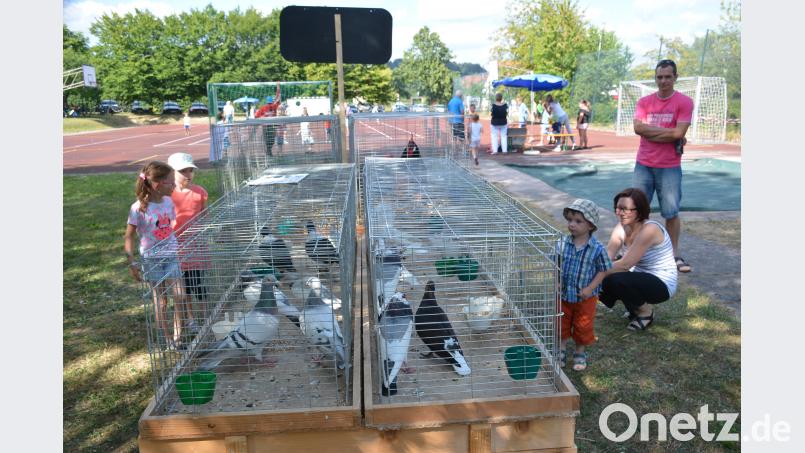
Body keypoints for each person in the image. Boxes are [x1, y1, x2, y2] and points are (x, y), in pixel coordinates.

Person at [124, 161, 195, 350]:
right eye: (171, 183)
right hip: (151, 259)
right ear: (157, 185)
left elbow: (170, 225)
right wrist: (131, 263)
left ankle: (178, 336)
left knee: (179, 295)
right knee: (161, 301)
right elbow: (129, 237)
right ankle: (167, 338)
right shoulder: (138, 208)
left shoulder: (169, 202)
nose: (174, 186)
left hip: (171, 255)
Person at [633, 59, 694, 273]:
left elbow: (679, 133)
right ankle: (634, 251)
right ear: (655, 78)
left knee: (671, 213)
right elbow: (638, 129)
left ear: (675, 77)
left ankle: (674, 255)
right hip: (644, 164)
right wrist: (668, 134)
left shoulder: (684, 102)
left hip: (669, 167)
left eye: (668, 76)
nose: (663, 81)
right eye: (659, 77)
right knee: (636, 211)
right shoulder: (644, 102)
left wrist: (653, 131)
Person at [599, 188, 678, 331]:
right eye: (618, 208)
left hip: (662, 283)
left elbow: (625, 265)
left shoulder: (650, 229)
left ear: (640, 211)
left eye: (626, 209)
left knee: (613, 278)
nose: (621, 213)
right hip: (639, 276)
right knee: (604, 278)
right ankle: (633, 308)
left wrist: (593, 272)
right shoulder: (621, 227)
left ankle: (645, 313)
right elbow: (606, 257)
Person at [556, 199, 612, 371]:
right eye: (570, 220)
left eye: (578, 221)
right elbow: (555, 263)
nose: (572, 224)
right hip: (564, 295)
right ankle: (561, 349)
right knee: (561, 322)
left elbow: (603, 270)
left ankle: (580, 351)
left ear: (590, 226)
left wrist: (590, 288)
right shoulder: (562, 243)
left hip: (585, 297)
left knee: (583, 325)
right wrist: (557, 281)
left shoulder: (597, 248)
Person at [168, 153, 209, 319]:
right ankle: (191, 318)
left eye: (190, 170)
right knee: (183, 288)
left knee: (198, 283)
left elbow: (205, 215)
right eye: (183, 171)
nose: (188, 175)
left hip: (196, 246)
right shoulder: (166, 195)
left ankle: (206, 316)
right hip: (176, 247)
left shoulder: (200, 193)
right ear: (172, 173)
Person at [255, 85, 282, 157]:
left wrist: (278, 88)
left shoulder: (273, 106)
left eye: (270, 103)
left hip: (272, 126)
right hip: (266, 127)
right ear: (267, 103)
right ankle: (268, 151)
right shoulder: (263, 108)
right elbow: (256, 116)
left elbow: (278, 98)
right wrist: (262, 117)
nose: (270, 105)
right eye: (269, 103)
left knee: (271, 140)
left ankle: (268, 150)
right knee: (267, 139)